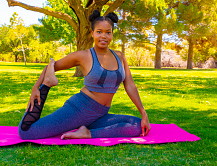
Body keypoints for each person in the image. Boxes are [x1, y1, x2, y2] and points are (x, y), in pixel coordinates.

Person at [18, 10, 151, 140]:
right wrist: (37, 87)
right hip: (79, 110)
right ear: (92, 33)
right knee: (26, 132)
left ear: (112, 34)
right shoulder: (83, 56)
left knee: (137, 126)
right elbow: (51, 66)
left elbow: (130, 85)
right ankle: (48, 85)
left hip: (100, 114)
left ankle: (87, 132)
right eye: (99, 32)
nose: (103, 36)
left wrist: (143, 113)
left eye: (108, 32)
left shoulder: (120, 56)